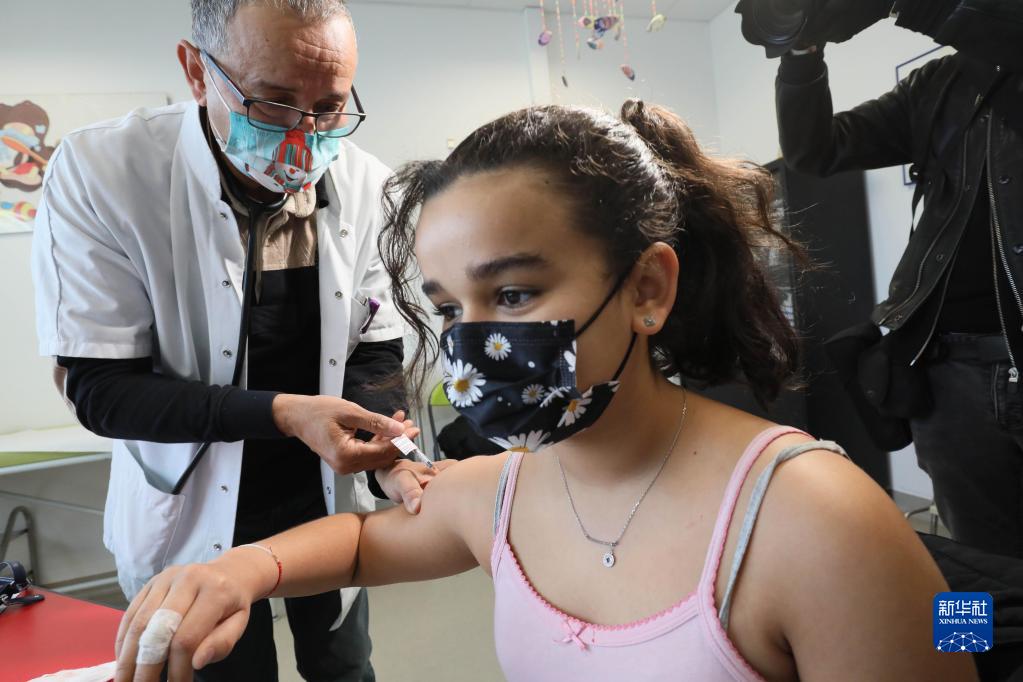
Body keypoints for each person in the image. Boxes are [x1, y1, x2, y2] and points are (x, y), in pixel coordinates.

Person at [111, 102, 978, 681]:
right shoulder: (505, 492)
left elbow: (935, 641)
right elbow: (364, 542)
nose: (472, 342)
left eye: (515, 293)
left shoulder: (816, 520)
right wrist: (236, 570)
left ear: (646, 289)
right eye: (449, 308)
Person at [30, 1, 445, 680]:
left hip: (323, 500)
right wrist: (284, 413)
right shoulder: (104, 171)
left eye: (328, 108)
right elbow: (103, 392)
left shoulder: (365, 183)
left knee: (344, 666)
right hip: (191, 509)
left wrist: (388, 453)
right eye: (274, 105)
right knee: (223, 670)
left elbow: (373, 348)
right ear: (198, 73)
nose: (304, 138)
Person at [773, 0, 1023, 558]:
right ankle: (969, 623)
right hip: (949, 371)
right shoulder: (936, 85)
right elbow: (814, 150)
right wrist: (803, 50)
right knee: (979, 562)